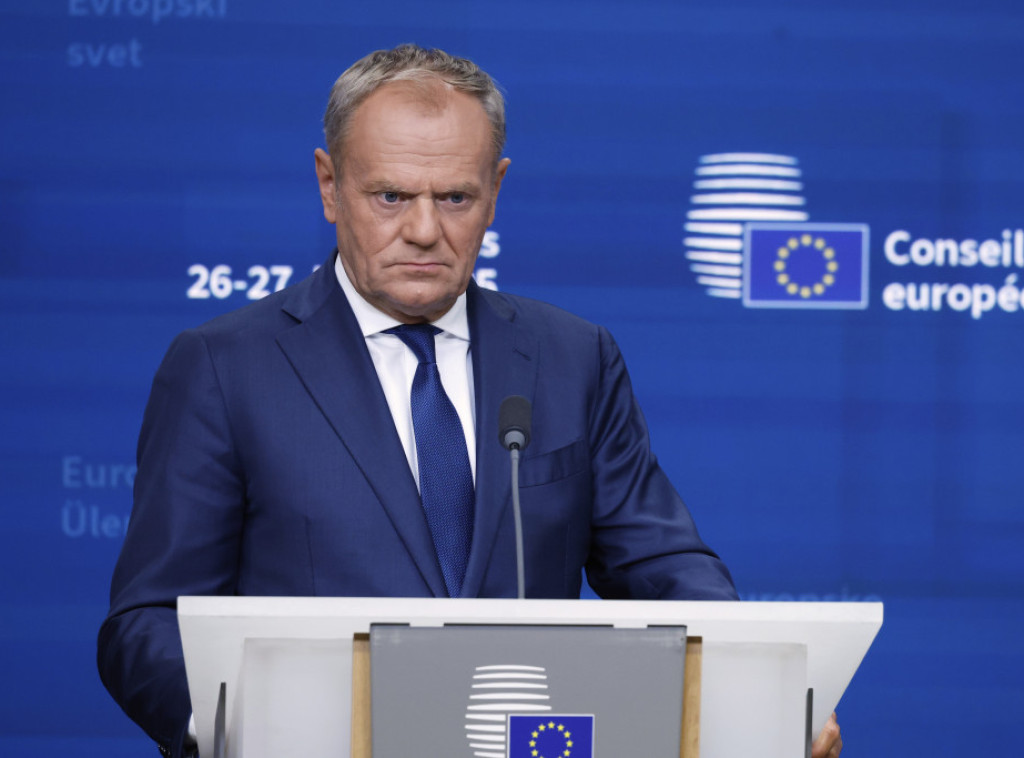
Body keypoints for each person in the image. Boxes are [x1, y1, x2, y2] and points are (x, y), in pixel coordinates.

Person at [97, 44, 840, 758]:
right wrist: (242, 726)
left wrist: (761, 693)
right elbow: (146, 621)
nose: (424, 231)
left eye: (455, 197)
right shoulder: (225, 367)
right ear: (329, 185)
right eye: (390, 196)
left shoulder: (572, 357)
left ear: (496, 190)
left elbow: (664, 565)